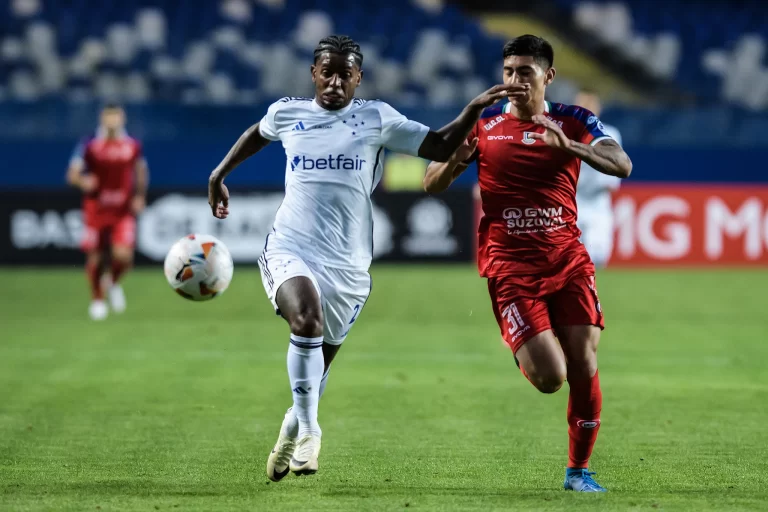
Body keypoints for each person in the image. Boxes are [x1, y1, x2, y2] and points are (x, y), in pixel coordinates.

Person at [207, 35, 526, 481]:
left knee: (319, 361)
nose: (335, 81)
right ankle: (312, 432)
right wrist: (220, 173)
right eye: (327, 71)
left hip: (349, 266)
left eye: (345, 74)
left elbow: (437, 146)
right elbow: (256, 134)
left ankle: (290, 429)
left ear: (358, 78)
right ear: (314, 73)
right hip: (290, 246)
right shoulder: (288, 112)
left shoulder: (377, 119)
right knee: (307, 323)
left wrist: (472, 110)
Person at [423, 35, 632, 492]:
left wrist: (571, 149)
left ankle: (578, 471)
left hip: (568, 260)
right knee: (550, 377)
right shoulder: (485, 126)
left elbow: (622, 164)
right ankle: (521, 336)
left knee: (584, 362)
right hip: (511, 269)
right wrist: (456, 159)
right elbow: (431, 184)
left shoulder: (573, 120)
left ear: (548, 76)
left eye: (525, 72)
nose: (515, 81)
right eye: (509, 72)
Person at [66, 104, 149, 321]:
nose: (112, 121)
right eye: (109, 117)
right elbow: (72, 174)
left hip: (122, 210)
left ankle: (111, 281)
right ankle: (97, 299)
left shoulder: (132, 145)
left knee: (124, 256)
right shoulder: (89, 144)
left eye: (116, 117)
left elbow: (141, 171)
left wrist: (139, 195)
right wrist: (83, 181)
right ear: (102, 119)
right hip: (96, 209)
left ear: (123, 119)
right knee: (95, 257)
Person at [573, 89, 624, 268]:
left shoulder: (610, 134)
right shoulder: (565, 134)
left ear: (598, 108)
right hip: (571, 207)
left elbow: (611, 180)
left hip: (598, 207)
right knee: (569, 262)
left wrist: (579, 181)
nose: (586, 109)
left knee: (598, 258)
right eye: (582, 105)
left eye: (590, 105)